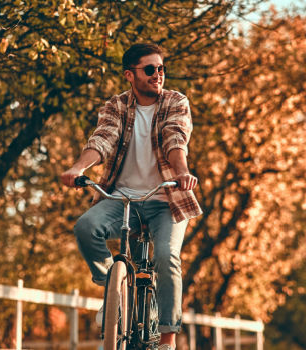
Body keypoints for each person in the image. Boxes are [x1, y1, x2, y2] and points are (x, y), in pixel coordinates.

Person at [60, 43, 201, 350]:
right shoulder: (117, 106)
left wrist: (181, 173)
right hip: (122, 200)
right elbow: (103, 139)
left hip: (166, 200)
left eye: (161, 69)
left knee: (166, 256)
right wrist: (77, 167)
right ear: (130, 75)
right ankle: (114, 293)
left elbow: (174, 137)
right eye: (149, 69)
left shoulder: (175, 101)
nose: (157, 75)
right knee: (86, 227)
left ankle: (167, 340)